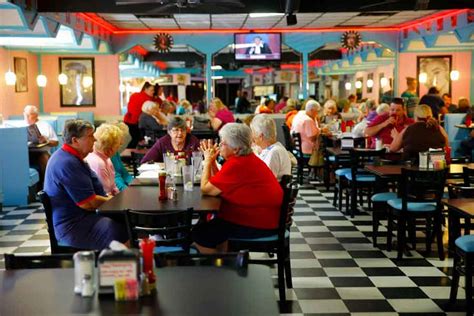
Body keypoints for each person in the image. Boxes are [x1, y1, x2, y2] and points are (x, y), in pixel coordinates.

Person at [193, 123, 283, 253]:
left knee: (200, 233)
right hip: (265, 218)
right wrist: (212, 161)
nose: (219, 146)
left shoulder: (237, 164)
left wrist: (207, 161)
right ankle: (224, 261)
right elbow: (218, 184)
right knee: (211, 227)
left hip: (259, 224)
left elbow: (206, 189)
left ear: (236, 149)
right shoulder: (245, 159)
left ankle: (218, 269)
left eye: (223, 143)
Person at [44, 119, 128, 250]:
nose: (95, 140)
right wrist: (114, 201)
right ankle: (120, 266)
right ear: (75, 140)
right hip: (74, 226)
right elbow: (88, 203)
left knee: (126, 220)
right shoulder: (67, 163)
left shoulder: (72, 158)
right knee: (124, 228)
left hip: (83, 218)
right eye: (90, 136)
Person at [23, 105, 59, 187]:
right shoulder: (20, 125)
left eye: (29, 114)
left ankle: (48, 184)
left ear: (36, 115)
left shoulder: (45, 125)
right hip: (25, 152)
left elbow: (56, 142)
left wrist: (47, 140)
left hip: (41, 152)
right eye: (25, 114)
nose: (27, 117)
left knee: (43, 157)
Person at [85, 123, 123, 196]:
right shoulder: (99, 163)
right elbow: (105, 193)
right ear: (110, 147)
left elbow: (113, 186)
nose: (117, 149)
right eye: (117, 146)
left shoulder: (106, 159)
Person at [250, 114, 291, 180]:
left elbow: (265, 180)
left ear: (261, 136)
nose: (252, 136)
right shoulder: (273, 148)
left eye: (253, 133)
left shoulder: (274, 152)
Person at [124, 81, 154, 148]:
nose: (153, 92)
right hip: (134, 121)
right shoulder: (147, 99)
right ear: (145, 89)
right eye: (151, 90)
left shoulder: (135, 95)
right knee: (135, 140)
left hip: (129, 120)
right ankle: (130, 155)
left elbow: (129, 107)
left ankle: (130, 155)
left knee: (134, 140)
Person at [110, 122, 133, 191]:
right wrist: (126, 190)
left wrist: (134, 183)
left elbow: (123, 172)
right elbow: (114, 177)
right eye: (121, 138)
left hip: (121, 187)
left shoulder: (115, 152)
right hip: (117, 190)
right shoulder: (108, 154)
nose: (122, 142)